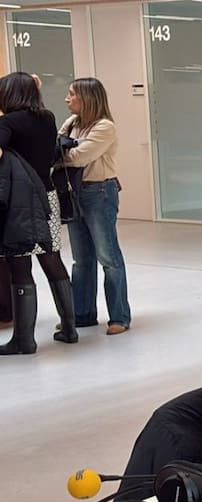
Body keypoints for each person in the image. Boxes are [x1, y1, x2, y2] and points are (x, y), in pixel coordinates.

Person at [0, 71, 68, 355]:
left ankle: (24, 340)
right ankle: (70, 327)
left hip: (21, 201)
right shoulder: (48, 118)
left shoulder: (8, 122)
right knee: (52, 259)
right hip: (47, 195)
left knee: (20, 263)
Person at [60, 76, 130, 336]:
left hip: (100, 192)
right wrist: (62, 150)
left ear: (86, 98)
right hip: (75, 193)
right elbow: (55, 146)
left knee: (108, 257)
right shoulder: (71, 123)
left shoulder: (105, 127)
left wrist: (62, 152)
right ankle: (83, 313)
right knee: (81, 259)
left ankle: (119, 316)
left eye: (71, 94)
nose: (67, 99)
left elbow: (79, 157)